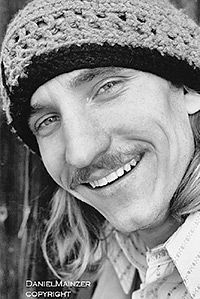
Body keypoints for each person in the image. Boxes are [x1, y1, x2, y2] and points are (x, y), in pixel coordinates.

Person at [1, 0, 200, 298]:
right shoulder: (113, 253)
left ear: (187, 89)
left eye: (107, 87)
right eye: (48, 120)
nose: (80, 153)